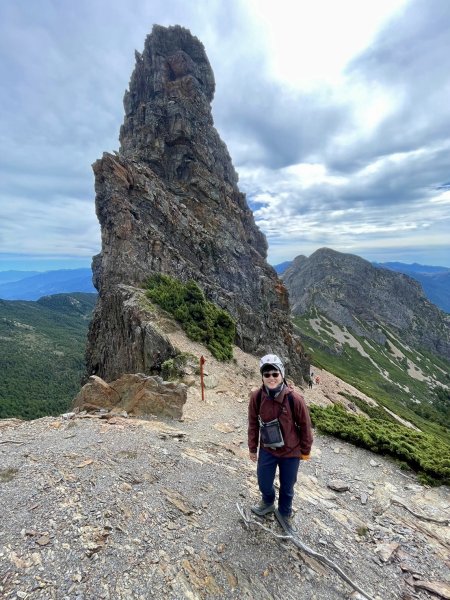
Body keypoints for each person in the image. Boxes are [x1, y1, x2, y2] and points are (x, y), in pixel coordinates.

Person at [248, 354, 313, 532]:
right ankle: (268, 502)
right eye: (266, 374)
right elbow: (253, 424)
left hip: (291, 452)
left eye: (275, 374)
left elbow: (306, 426)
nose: (271, 378)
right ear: (262, 376)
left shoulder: (295, 399)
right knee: (263, 482)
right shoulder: (256, 397)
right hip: (267, 450)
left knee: (287, 486)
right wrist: (252, 448)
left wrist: (305, 450)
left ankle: (284, 513)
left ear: (282, 374)